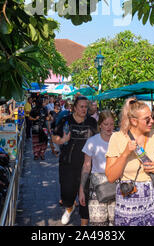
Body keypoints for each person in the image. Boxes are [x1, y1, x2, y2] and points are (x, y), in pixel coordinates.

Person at [105, 99, 154, 226]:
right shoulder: (117, 138)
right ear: (134, 121)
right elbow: (111, 177)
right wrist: (125, 154)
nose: (152, 121)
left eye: (151, 117)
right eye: (147, 119)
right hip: (129, 199)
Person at [52, 96, 97, 226]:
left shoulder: (91, 122)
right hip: (68, 164)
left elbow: (98, 139)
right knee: (67, 193)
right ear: (75, 108)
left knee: (85, 196)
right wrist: (62, 140)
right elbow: (54, 136)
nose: (84, 109)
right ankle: (69, 208)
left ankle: (84, 224)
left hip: (87, 165)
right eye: (81, 106)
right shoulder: (66, 120)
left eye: (86, 107)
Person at [79, 110, 115, 226]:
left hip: (116, 184)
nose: (109, 127)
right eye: (106, 124)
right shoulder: (92, 141)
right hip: (97, 187)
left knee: (116, 222)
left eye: (111, 124)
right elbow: (86, 167)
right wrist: (81, 189)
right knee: (98, 223)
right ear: (100, 125)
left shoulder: (119, 139)